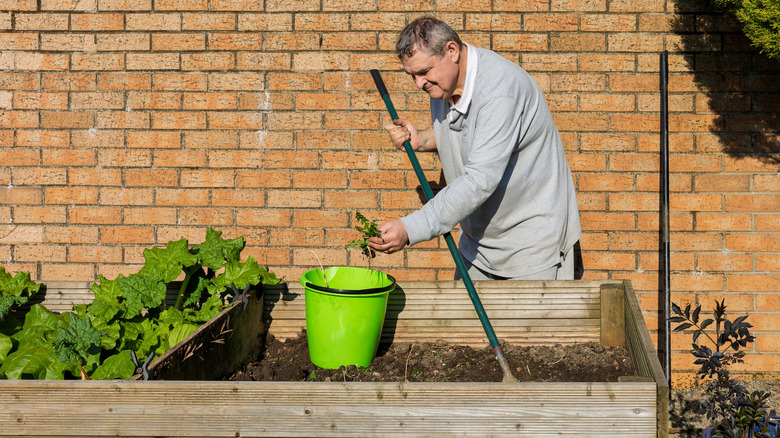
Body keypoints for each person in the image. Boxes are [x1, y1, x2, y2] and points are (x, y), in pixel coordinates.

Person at [367, 15, 581, 281]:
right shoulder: (445, 85)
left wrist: (411, 228)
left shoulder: (500, 91)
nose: (419, 84)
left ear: (452, 51)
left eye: (423, 72)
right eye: (412, 75)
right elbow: (464, 132)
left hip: (531, 250)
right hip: (477, 248)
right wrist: (421, 139)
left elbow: (480, 180)